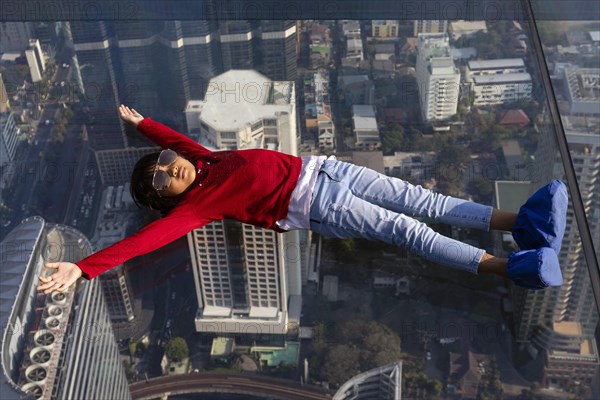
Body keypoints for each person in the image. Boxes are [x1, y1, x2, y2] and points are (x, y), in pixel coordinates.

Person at [37, 105, 567, 294]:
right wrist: (83, 269)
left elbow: (176, 145)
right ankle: (510, 268)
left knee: (422, 199)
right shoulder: (197, 205)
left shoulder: (203, 161)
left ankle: (522, 222)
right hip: (320, 205)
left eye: (161, 164)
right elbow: (141, 243)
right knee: (410, 232)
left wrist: (143, 126)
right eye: (160, 180)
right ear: (167, 197)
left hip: (326, 168)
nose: (168, 169)